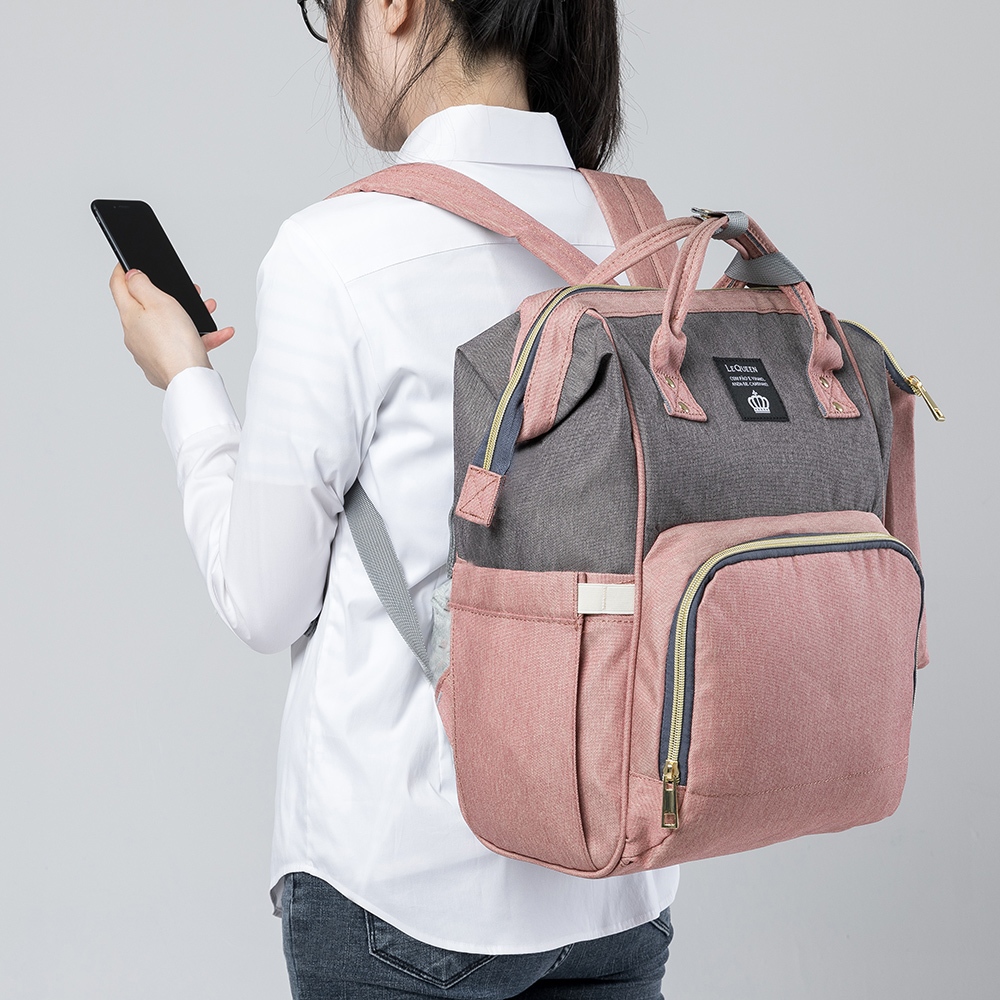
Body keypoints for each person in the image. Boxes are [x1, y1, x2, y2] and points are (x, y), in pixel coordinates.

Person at [109, 1, 678, 996]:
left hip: (405, 891)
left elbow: (263, 600)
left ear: (394, 7)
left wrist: (186, 383)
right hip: (617, 886)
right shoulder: (641, 237)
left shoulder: (337, 251)